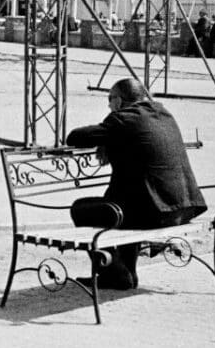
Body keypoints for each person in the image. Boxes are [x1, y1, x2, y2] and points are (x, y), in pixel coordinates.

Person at [64, 78, 206, 291]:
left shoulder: (124, 119)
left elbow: (75, 137)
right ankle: (128, 272)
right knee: (123, 209)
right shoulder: (164, 114)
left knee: (81, 210)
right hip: (183, 208)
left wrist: (108, 132)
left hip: (157, 213)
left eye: (110, 100)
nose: (108, 105)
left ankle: (114, 272)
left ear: (120, 101)